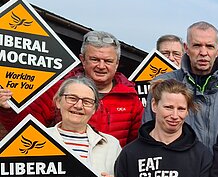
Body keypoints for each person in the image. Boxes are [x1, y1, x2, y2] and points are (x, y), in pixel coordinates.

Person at [0, 30, 143, 147]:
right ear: (82, 59)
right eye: (94, 59)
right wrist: (8, 109)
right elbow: (26, 128)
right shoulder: (59, 88)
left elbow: (137, 145)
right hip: (65, 172)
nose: (101, 66)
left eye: (108, 61)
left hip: (108, 174)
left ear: (117, 63)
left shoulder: (131, 98)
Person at [143, 21, 218, 150]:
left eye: (209, 46)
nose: (203, 52)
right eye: (197, 45)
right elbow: (147, 135)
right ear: (186, 48)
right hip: (175, 168)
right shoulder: (163, 84)